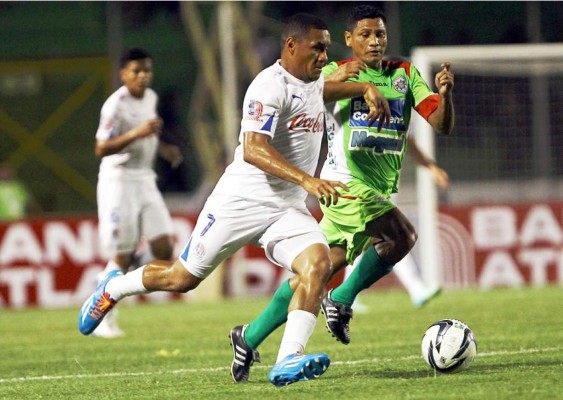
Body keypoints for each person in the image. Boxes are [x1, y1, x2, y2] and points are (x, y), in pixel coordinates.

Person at [78, 13, 390, 387]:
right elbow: (254, 149)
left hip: (285, 208)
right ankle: (112, 289)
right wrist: (309, 179)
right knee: (181, 278)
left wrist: (364, 89)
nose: (325, 56)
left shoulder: (314, 80)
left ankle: (288, 358)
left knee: (318, 264)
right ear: (291, 46)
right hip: (240, 201)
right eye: (318, 48)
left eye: (326, 48)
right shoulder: (266, 86)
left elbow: (322, 91)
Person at [229, 4, 454, 382]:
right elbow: (310, 93)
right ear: (348, 40)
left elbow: (440, 124)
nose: (374, 41)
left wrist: (444, 95)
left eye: (379, 34)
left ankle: (248, 337)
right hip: (345, 186)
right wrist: (357, 86)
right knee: (402, 236)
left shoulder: (405, 74)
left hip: (375, 190)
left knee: (317, 272)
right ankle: (341, 300)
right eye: (364, 34)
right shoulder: (334, 72)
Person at [92, 48, 182, 338]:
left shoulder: (151, 98)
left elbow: (150, 132)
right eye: (136, 71)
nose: (143, 76)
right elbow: (101, 148)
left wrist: (165, 148)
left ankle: (116, 274)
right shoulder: (114, 105)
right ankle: (104, 314)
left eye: (147, 71)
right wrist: (136, 133)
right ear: (123, 74)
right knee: (122, 254)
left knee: (165, 250)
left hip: (145, 178)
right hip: (118, 181)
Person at [344, 132, 449, 312]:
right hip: (362, 183)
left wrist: (431, 167)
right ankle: (416, 288)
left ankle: (346, 296)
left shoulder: (400, 114)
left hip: (387, 184)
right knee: (391, 235)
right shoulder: (360, 112)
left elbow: (410, 142)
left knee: (370, 237)